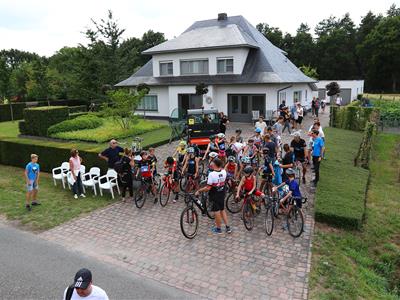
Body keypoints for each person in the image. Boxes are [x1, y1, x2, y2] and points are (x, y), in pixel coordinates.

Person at [195, 158, 231, 234]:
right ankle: (228, 227)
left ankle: (218, 229)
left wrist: (199, 190)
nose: (211, 163)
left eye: (212, 163)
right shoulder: (224, 171)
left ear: (214, 164)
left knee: (217, 212)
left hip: (214, 194)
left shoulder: (212, 174)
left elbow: (208, 188)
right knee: (222, 209)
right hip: (222, 193)